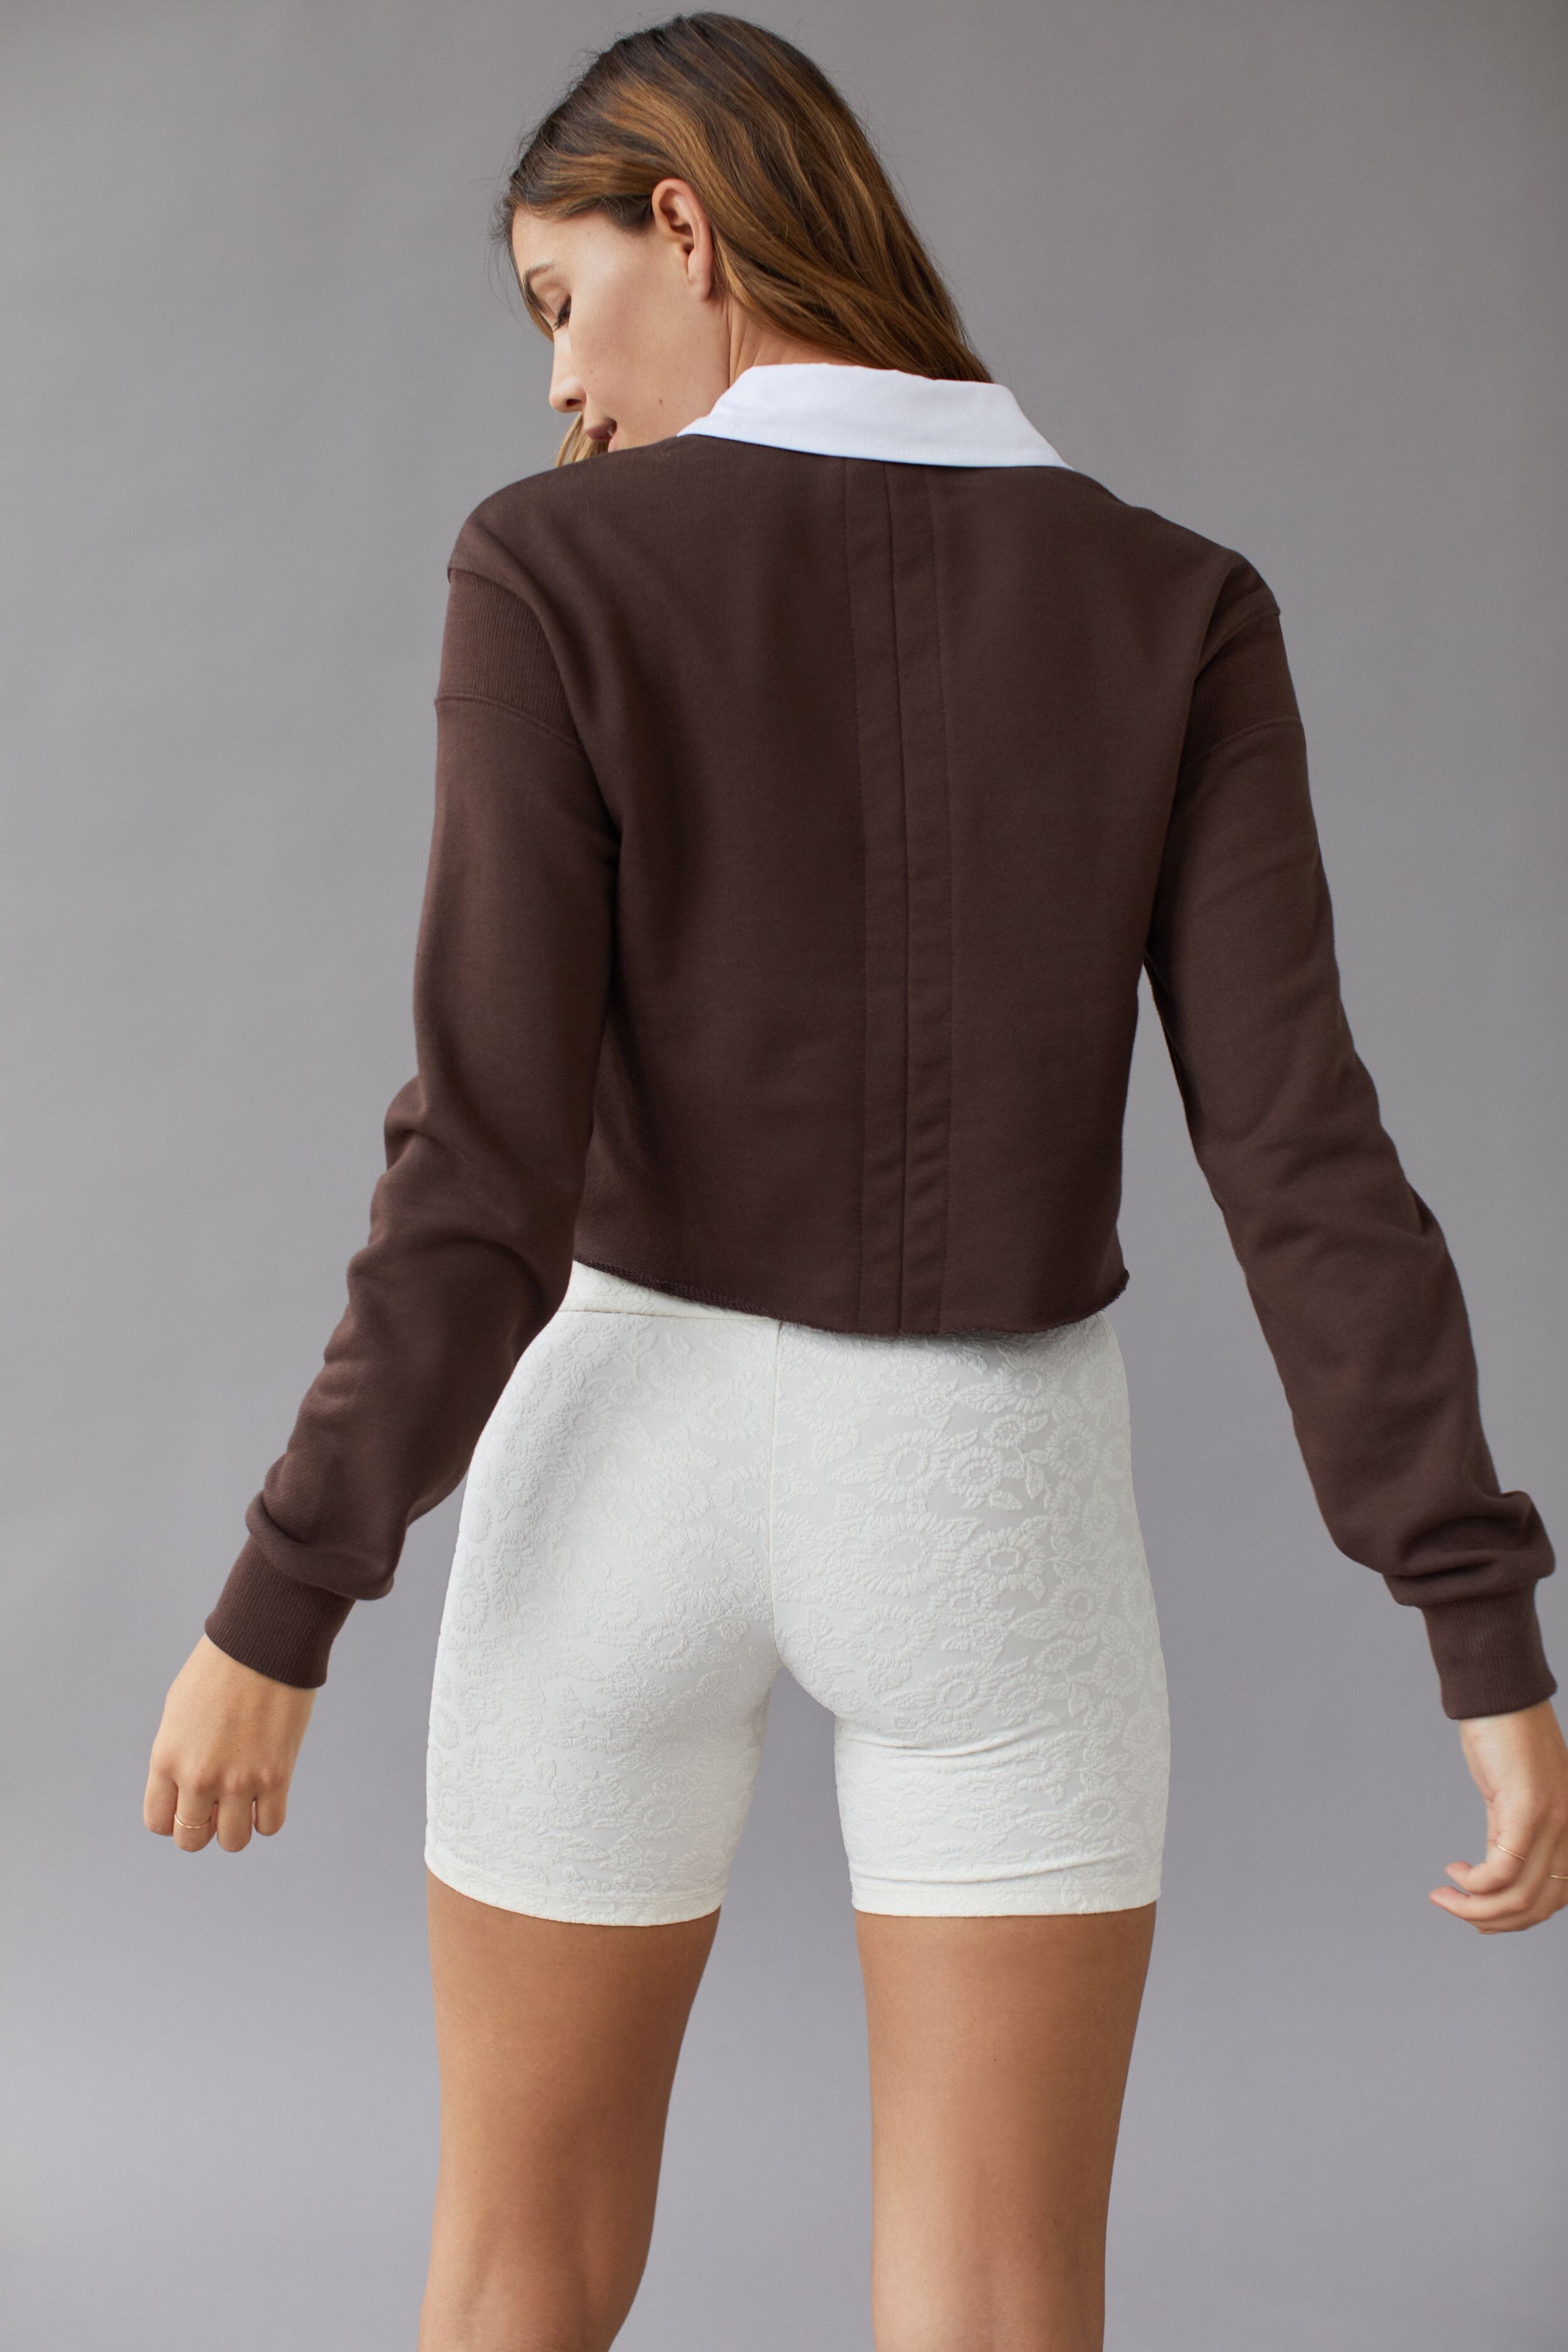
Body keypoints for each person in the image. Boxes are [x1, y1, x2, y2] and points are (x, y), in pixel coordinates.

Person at [142, 15, 1568, 2350]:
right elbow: (1297, 1141)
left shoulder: (549, 568)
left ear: (683, 224)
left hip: (621, 1461)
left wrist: (281, 1599)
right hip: (987, 1498)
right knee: (1001, 2307)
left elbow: (482, 1165)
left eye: (559, 299)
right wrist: (1475, 1620)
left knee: (512, 2279)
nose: (556, 380)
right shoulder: (1174, 601)